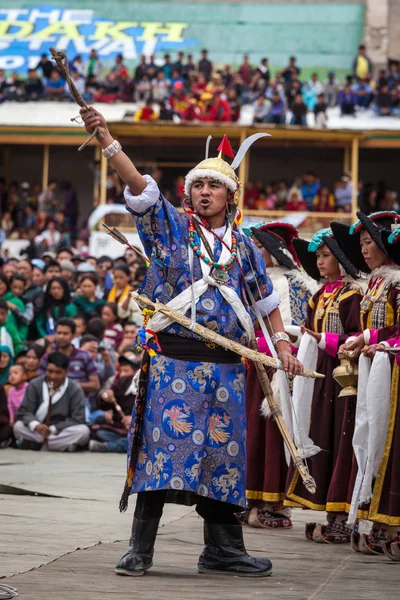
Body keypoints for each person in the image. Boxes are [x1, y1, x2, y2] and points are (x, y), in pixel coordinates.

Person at [80, 105, 303, 578]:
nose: (205, 192)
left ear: (230, 195)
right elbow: (141, 189)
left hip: (227, 368)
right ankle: (140, 548)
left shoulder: (243, 246)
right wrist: (107, 140)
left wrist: (282, 344)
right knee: (165, 455)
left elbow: (265, 302)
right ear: (188, 193)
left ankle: (223, 550)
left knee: (222, 460)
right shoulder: (171, 229)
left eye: (214, 185)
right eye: (198, 185)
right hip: (174, 366)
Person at [286, 227, 365, 543]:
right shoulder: (319, 294)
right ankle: (331, 512)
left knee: (343, 440)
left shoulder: (353, 295)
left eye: (325, 255)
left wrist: (325, 340)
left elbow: (356, 336)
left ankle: (345, 515)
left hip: (345, 378)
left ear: (341, 260)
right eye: (317, 256)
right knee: (322, 436)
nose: (319, 262)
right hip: (319, 380)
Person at [331, 211, 400, 553]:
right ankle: (370, 516)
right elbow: (375, 327)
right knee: (367, 438)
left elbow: (395, 329)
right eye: (361, 244)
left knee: (389, 443)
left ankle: (388, 520)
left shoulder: (397, 282)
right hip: (374, 373)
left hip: (393, 376)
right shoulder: (373, 283)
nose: (364, 250)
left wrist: (376, 340)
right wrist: (362, 338)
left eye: (369, 242)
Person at [242, 223, 317, 528]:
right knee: (248, 433)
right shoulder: (248, 281)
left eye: (261, 247)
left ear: (275, 251)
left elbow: (297, 331)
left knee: (272, 436)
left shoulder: (294, 284)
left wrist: (264, 344)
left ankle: (273, 503)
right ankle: (245, 499)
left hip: (278, 370)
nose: (256, 253)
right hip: (248, 366)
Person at [13, 351, 90, 451]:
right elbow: (24, 412)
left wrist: (53, 429)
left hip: (59, 431)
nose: (53, 376)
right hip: (37, 430)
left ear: (66, 372)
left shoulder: (74, 389)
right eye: (50, 371)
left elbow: (78, 418)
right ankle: (58, 445)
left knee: (83, 431)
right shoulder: (35, 384)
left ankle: (37, 444)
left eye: (58, 372)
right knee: (18, 427)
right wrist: (36, 425)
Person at [39, 319, 100, 416]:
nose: (61, 337)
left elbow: (95, 385)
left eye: (65, 333)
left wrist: (71, 385)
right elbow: (40, 382)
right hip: (52, 401)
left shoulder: (85, 356)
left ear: (73, 335)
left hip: (79, 402)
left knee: (83, 429)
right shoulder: (47, 357)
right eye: (59, 333)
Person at [89, 354, 140, 453]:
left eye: (126, 371)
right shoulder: (121, 382)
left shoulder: (148, 386)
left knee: (136, 441)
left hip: (137, 431)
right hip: (118, 429)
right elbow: (103, 404)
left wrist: (134, 419)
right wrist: (105, 396)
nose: (122, 374)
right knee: (98, 432)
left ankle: (108, 447)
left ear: (136, 373)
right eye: (121, 371)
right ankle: (120, 443)